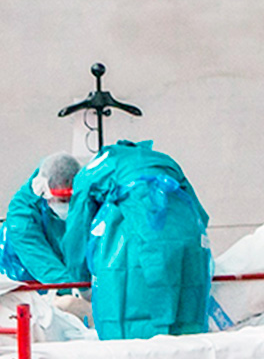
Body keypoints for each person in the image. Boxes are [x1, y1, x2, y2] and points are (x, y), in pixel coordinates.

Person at [60, 140, 210, 339]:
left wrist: (81, 282)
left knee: (131, 323)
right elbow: (200, 215)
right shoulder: (165, 162)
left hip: (131, 244)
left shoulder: (92, 171)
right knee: (186, 323)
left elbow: (76, 234)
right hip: (188, 242)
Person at [0, 153, 80, 284]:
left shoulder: (86, 199)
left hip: (61, 274)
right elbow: (40, 262)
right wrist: (75, 289)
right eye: (61, 200)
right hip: (18, 273)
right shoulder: (22, 214)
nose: (65, 205)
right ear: (43, 190)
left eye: (70, 200)